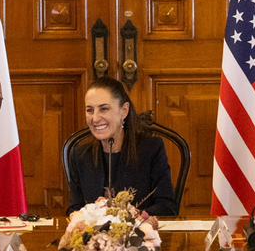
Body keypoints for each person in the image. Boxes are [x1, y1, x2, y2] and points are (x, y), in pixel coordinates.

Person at [66, 77, 178, 217]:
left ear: (124, 111)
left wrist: (132, 218)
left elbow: (167, 207)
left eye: (104, 109)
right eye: (90, 110)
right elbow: (75, 208)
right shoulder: (79, 154)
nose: (94, 118)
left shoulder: (151, 149)